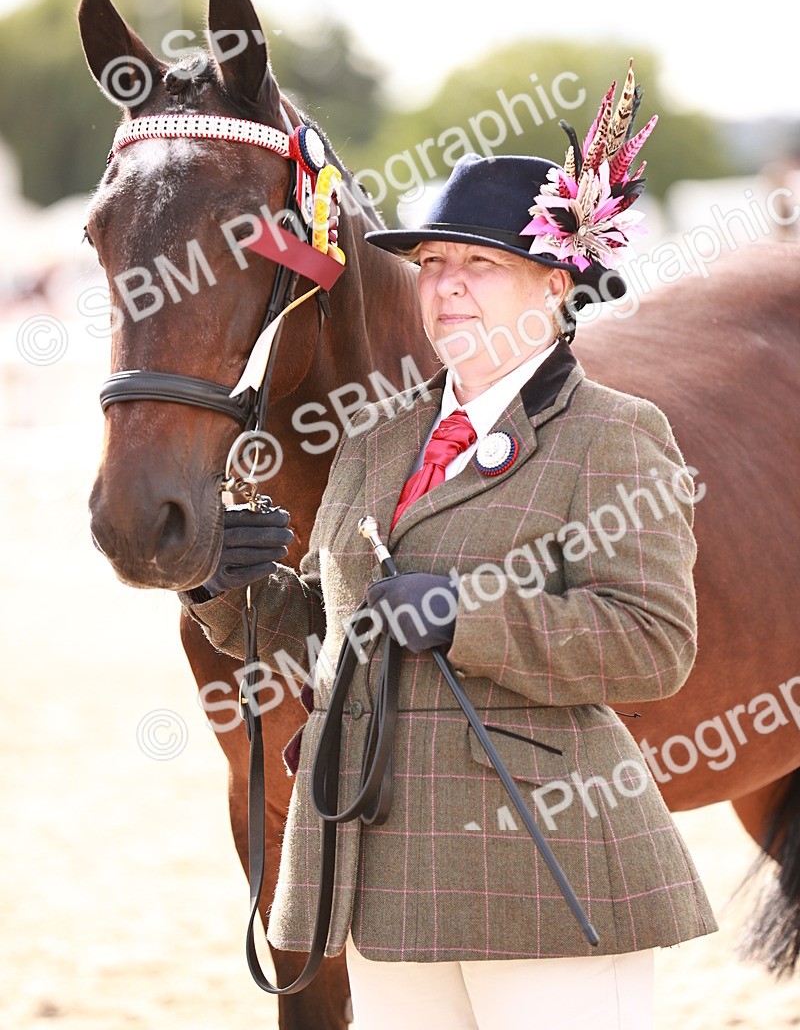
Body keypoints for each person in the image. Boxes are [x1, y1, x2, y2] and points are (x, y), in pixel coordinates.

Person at [181, 67, 717, 1029]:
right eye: (430, 265)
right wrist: (230, 587)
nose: (446, 287)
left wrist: (466, 616)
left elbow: (653, 645)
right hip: (384, 873)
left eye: (479, 266)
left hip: (544, 862)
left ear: (556, 283)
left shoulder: (614, 435)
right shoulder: (377, 439)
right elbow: (342, 628)